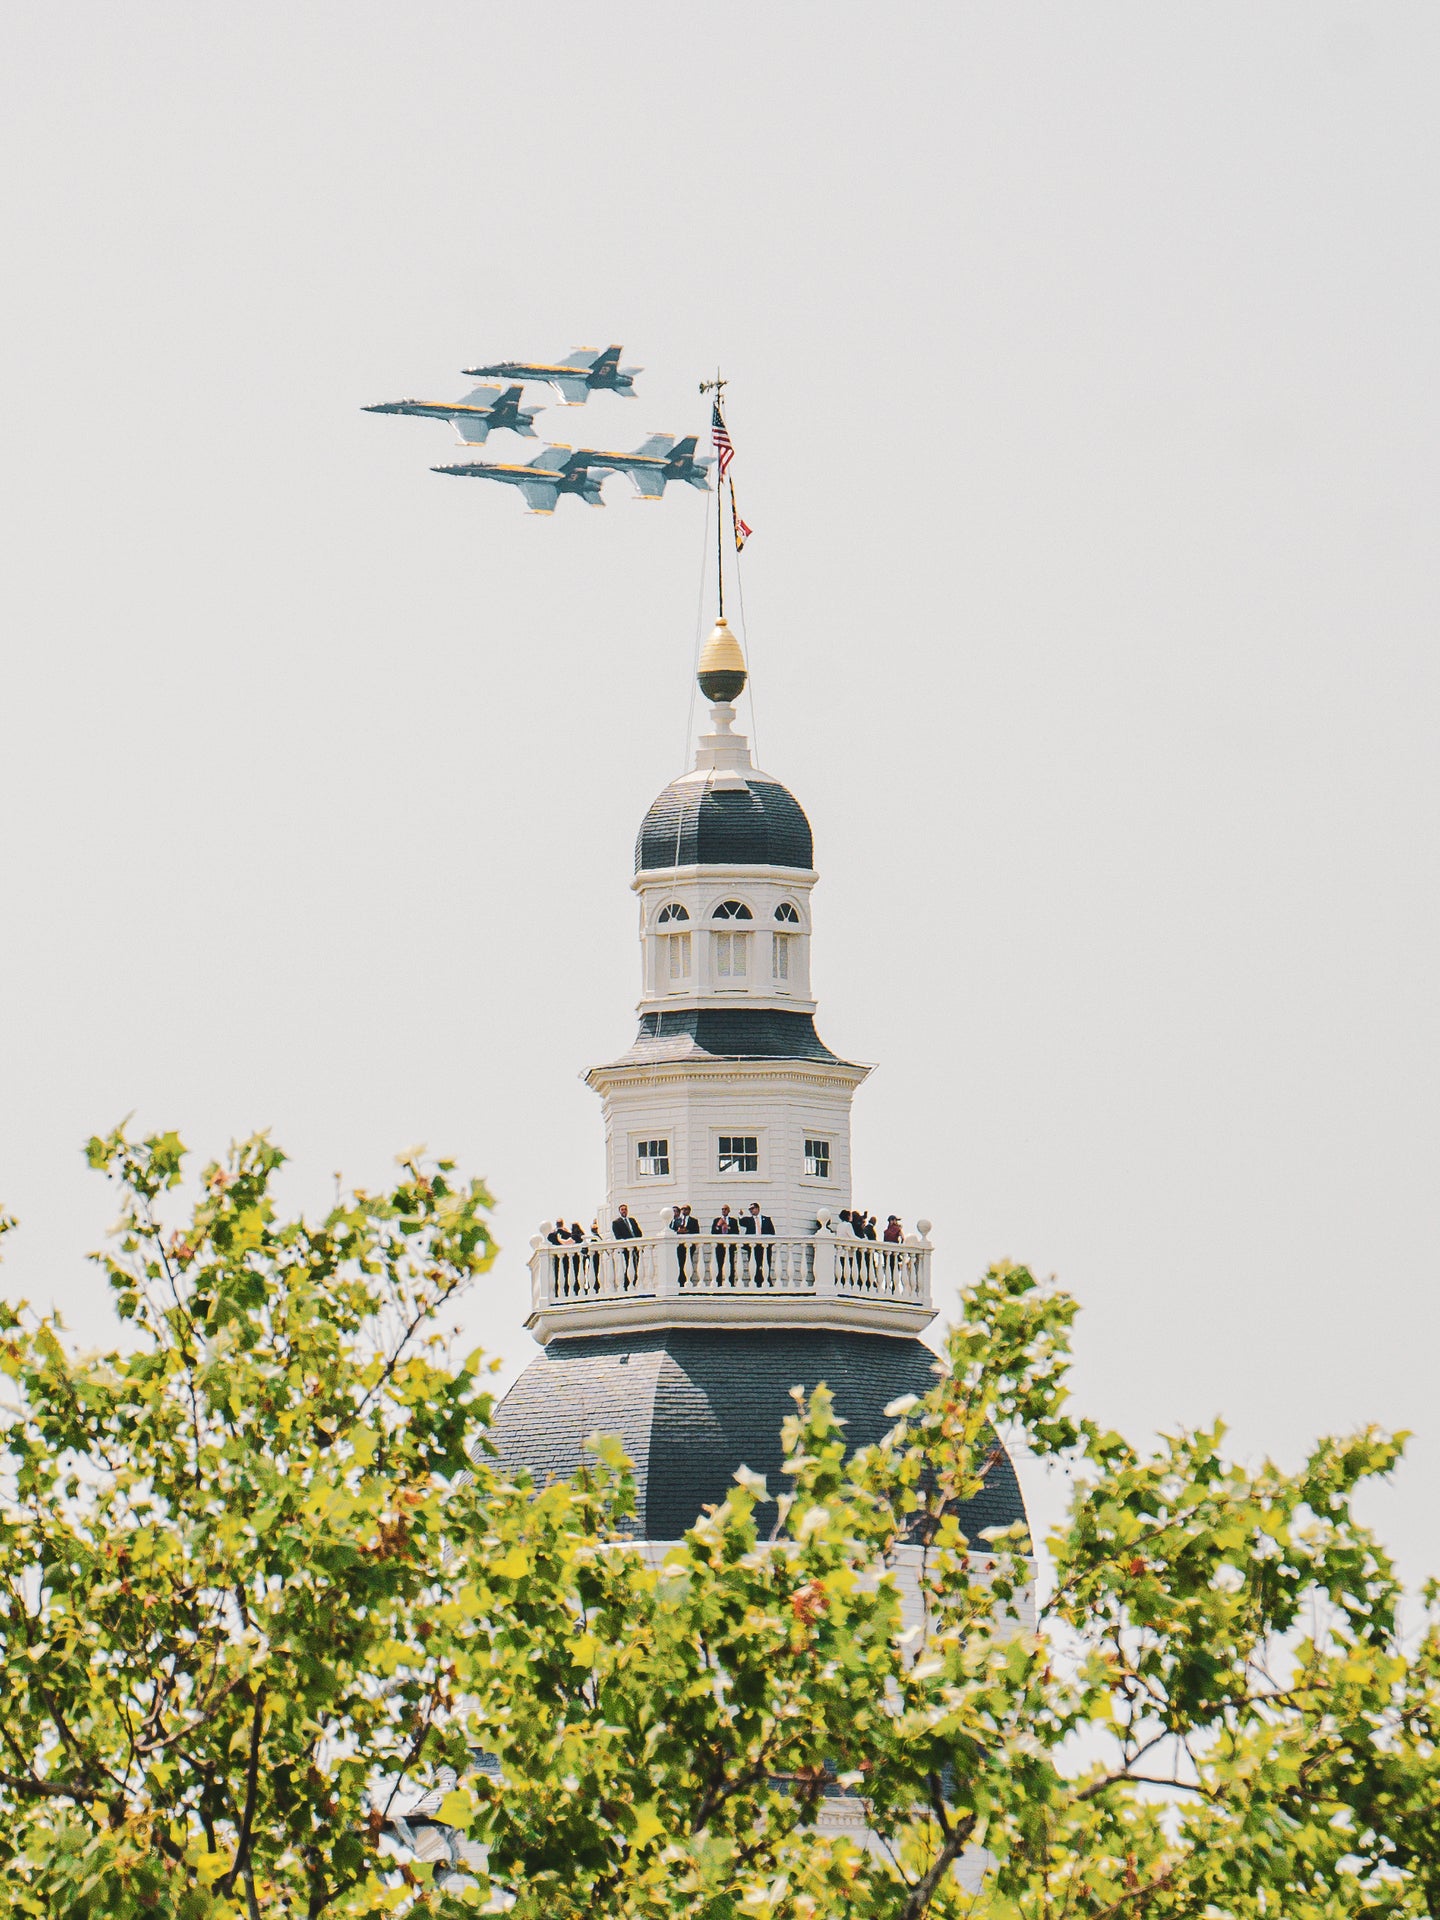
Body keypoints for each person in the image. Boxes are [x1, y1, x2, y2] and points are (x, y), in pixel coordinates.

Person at [739, 1200, 775, 1282]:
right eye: (750, 1209)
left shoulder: (766, 1219)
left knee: (765, 1264)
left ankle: (766, 1281)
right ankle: (756, 1281)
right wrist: (740, 1215)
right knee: (755, 1264)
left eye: (753, 1208)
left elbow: (772, 1232)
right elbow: (741, 1222)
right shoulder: (749, 1220)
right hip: (753, 1246)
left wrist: (770, 1244)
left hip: (764, 1246)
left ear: (758, 1209)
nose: (751, 1210)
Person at [611, 1202, 643, 1287]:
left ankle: (633, 1282)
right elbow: (618, 1236)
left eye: (625, 1209)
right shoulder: (616, 1222)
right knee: (629, 1265)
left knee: (636, 1265)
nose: (624, 1211)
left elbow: (639, 1232)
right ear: (619, 1211)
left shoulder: (632, 1220)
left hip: (636, 1247)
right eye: (622, 1210)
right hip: (627, 1248)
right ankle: (627, 1284)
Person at [668, 1202, 699, 1283]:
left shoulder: (694, 1221)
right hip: (679, 1246)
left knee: (688, 1262)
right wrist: (678, 1231)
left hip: (689, 1245)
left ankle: (688, 1281)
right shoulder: (677, 1221)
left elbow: (696, 1232)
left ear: (689, 1210)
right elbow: (672, 1231)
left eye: (685, 1209)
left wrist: (687, 1231)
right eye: (682, 1209)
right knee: (680, 1263)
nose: (683, 1211)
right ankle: (681, 1281)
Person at [710, 1203, 739, 1282]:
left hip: (730, 1246)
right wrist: (718, 1225)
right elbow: (713, 1232)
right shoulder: (716, 1220)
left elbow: (736, 1232)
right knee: (719, 1264)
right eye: (722, 1209)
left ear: (729, 1211)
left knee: (730, 1264)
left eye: (725, 1209)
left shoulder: (733, 1221)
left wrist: (728, 1227)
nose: (724, 1210)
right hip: (719, 1246)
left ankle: (731, 1282)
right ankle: (718, 1282)